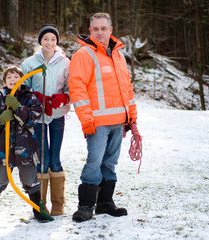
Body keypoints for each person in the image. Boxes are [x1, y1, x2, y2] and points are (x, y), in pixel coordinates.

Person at [68, 12, 138, 222]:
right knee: (94, 162)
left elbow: (127, 88)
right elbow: (77, 88)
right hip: (97, 123)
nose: (100, 32)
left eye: (103, 28)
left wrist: (131, 118)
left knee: (110, 163)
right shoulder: (84, 55)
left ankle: (105, 203)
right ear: (90, 31)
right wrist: (86, 118)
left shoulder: (118, 55)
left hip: (119, 123)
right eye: (95, 29)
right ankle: (86, 206)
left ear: (110, 30)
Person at [0, 66, 48, 222]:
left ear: (22, 79)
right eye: (9, 77)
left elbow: (34, 117)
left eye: (16, 77)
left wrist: (17, 107)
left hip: (26, 150)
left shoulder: (30, 98)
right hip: (4, 150)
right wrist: (1, 120)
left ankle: (39, 212)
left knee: (31, 181)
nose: (12, 80)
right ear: (4, 81)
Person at [20, 24, 71, 216]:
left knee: (55, 160)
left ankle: (58, 204)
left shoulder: (65, 62)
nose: (50, 42)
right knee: (42, 161)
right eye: (46, 39)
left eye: (53, 39)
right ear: (40, 41)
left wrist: (63, 98)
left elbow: (71, 87)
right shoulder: (30, 63)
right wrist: (36, 97)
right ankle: (40, 204)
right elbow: (22, 88)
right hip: (38, 116)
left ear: (57, 41)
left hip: (57, 115)